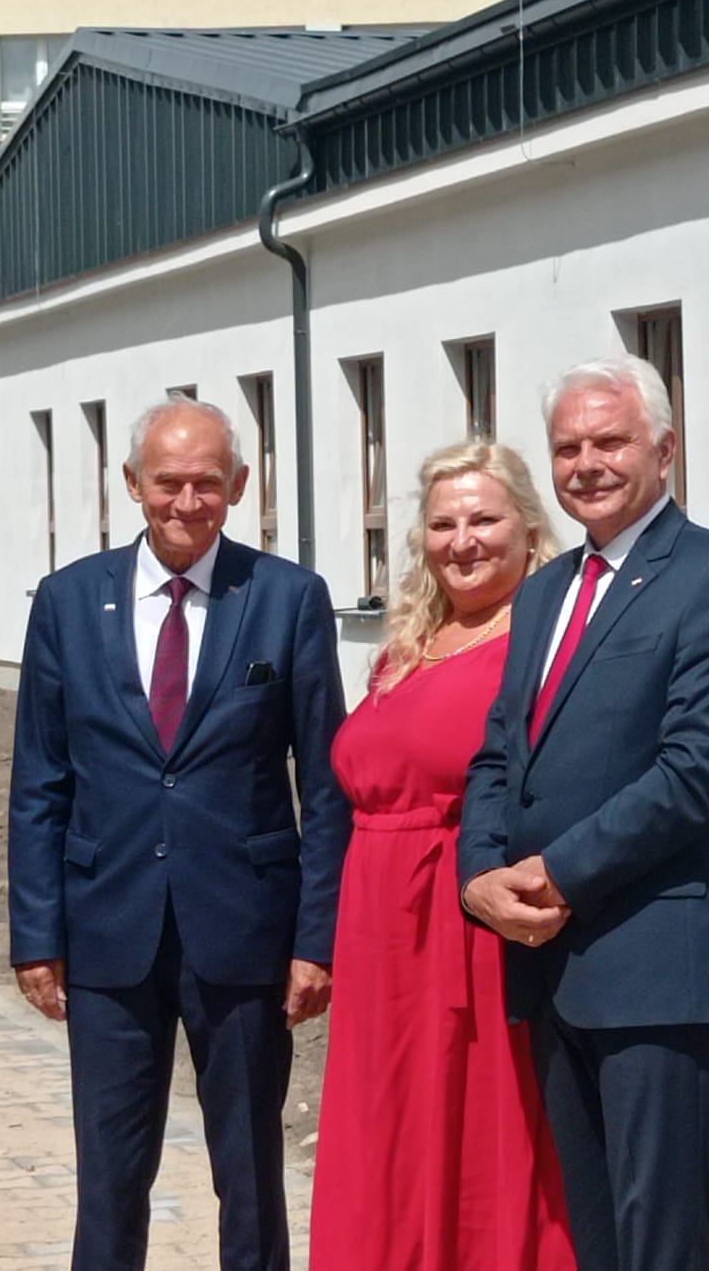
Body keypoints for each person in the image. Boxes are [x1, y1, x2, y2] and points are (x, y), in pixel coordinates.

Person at [7, 397, 351, 1271]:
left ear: (239, 484)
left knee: (251, 1169)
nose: (188, 502)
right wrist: (36, 935)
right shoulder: (68, 601)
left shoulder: (287, 599)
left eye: (208, 483)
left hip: (244, 931)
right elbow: (40, 782)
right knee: (110, 1176)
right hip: (107, 928)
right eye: (168, 483)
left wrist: (317, 940)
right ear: (132, 483)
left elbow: (325, 786)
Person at [458, 356, 709, 1271]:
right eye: (568, 448)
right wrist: (478, 875)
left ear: (664, 450)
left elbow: (699, 768)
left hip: (654, 965)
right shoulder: (545, 590)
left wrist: (557, 873)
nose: (587, 464)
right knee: (593, 1238)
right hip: (546, 961)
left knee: (659, 1241)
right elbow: (500, 754)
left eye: (610, 441)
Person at [310, 441, 576, 1271]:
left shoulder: (543, 640)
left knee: (475, 1132)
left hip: (464, 926)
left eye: (483, 520)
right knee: (384, 1131)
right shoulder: (409, 642)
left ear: (528, 528)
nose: (462, 542)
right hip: (376, 930)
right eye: (442, 524)